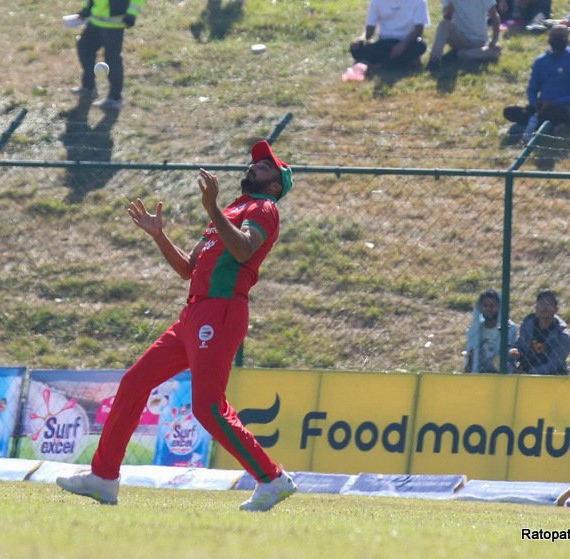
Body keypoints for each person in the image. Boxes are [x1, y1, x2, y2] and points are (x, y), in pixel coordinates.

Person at [57, 141, 298, 512]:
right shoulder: (233, 208)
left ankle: (272, 479)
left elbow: (244, 250)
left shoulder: (263, 208)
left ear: (276, 185)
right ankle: (104, 478)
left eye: (265, 166)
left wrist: (213, 207)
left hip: (220, 312)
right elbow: (189, 267)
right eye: (255, 163)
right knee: (134, 383)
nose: (255, 166)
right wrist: (159, 235)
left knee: (208, 407)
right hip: (194, 315)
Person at [503, 25, 570, 143]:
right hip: (541, 106)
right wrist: (534, 102)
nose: (557, 39)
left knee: (552, 113)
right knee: (509, 111)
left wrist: (553, 103)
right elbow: (532, 88)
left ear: (567, 40)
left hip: (563, 107)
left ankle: (534, 125)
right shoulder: (541, 61)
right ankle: (539, 124)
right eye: (554, 36)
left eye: (560, 36)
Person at [70, 0, 144, 111]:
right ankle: (89, 87)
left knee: (112, 59)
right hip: (95, 21)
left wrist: (131, 14)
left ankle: (115, 98)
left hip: (114, 23)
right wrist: (86, 8)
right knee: (84, 47)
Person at [349, 0, 431, 68]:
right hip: (384, 43)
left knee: (421, 46)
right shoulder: (376, 1)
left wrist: (403, 44)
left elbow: (418, 31)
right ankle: (402, 62)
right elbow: (370, 29)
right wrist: (362, 38)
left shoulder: (419, 2)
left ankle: (380, 63)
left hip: (408, 43)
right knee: (356, 48)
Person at [509, 289, 570, 375]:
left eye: (548, 304)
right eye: (541, 303)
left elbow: (553, 364)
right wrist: (516, 352)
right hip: (525, 369)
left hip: (552, 376)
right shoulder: (528, 324)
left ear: (556, 309)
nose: (544, 307)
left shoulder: (563, 336)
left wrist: (529, 374)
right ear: (536, 308)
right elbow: (521, 346)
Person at [427, 0, 502, 70]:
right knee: (444, 24)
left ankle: (459, 54)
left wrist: (495, 40)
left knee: (496, 50)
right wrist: (449, 12)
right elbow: (447, 18)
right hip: (460, 38)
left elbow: (495, 16)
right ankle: (434, 59)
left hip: (480, 41)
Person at [464, 288, 518, 373]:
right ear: (480, 308)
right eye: (485, 305)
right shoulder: (475, 330)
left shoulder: (510, 329)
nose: (488, 309)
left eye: (492, 306)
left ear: (499, 307)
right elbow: (470, 356)